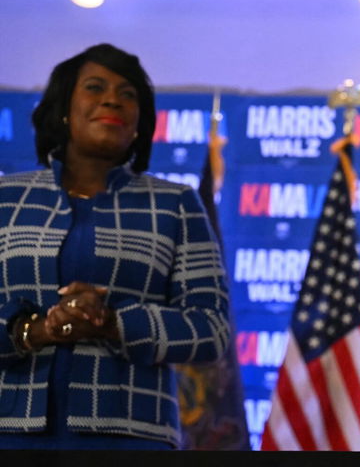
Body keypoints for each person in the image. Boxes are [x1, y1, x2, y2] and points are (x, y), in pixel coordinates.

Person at [0, 43, 231, 449]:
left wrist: (111, 323)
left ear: (140, 122)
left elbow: (211, 329)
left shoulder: (175, 204)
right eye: (95, 87)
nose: (112, 99)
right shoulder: (6, 198)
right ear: (65, 109)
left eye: (129, 95)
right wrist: (35, 330)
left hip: (134, 437)